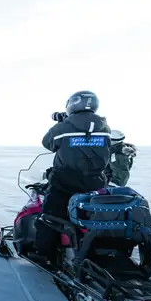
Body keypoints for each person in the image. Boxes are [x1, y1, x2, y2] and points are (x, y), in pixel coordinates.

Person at [35, 90, 112, 265]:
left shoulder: (63, 128)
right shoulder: (105, 127)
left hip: (65, 182)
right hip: (95, 183)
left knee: (50, 216)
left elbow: (48, 143)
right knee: (91, 216)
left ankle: (43, 254)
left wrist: (64, 122)